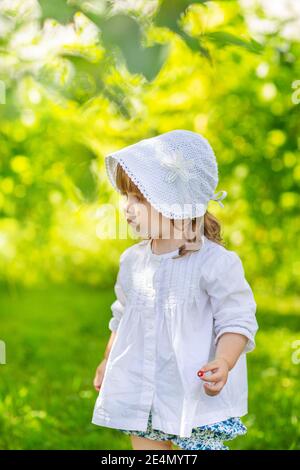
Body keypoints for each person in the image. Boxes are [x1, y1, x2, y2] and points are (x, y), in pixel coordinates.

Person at [91, 129, 259, 450]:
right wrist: (108, 359)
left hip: (195, 394)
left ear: (176, 203)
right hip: (143, 391)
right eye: (126, 197)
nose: (127, 207)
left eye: (138, 199)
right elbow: (122, 316)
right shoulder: (132, 261)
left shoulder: (214, 263)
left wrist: (224, 362)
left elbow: (237, 320)